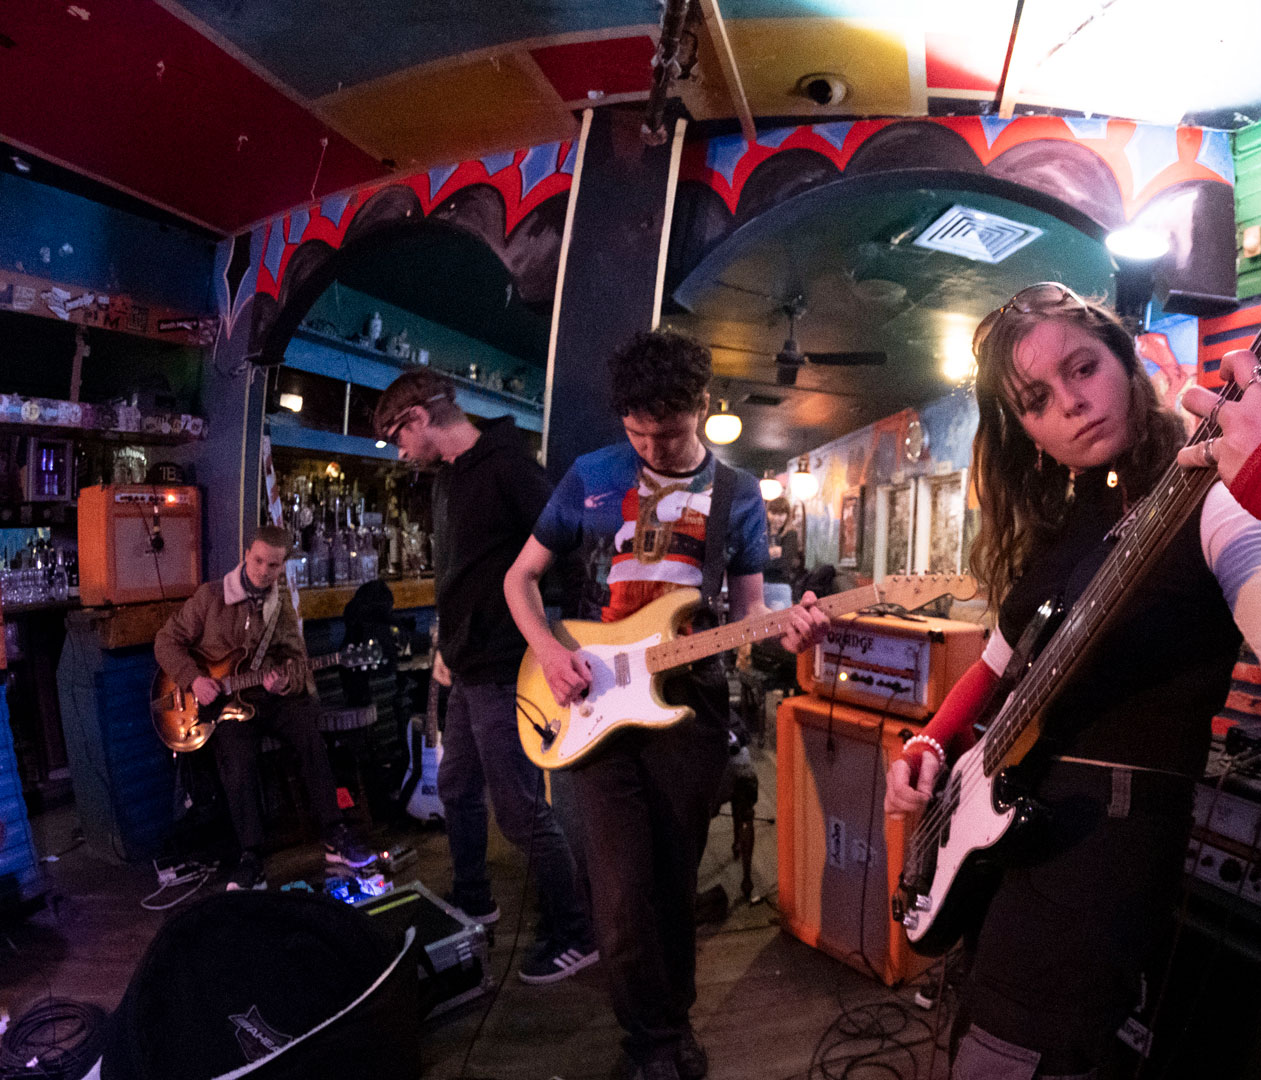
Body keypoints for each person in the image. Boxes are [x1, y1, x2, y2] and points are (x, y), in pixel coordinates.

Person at [874, 283, 1261, 1077]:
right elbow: (995, 666)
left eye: (1083, 368)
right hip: (1005, 840)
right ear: (1029, 436)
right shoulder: (1062, 524)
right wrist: (931, 743)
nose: (1072, 405)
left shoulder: (1207, 499)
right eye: (1039, 401)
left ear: (1124, 359)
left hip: (1096, 868)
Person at [503, 330, 826, 1080]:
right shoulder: (589, 476)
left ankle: (671, 1028)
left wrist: (789, 631)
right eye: (637, 431)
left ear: (701, 410)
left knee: (672, 884)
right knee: (617, 902)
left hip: (691, 708)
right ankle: (644, 1040)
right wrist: (551, 652)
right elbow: (520, 580)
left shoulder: (739, 495)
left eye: (670, 432)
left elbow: (747, 623)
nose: (652, 446)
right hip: (591, 704)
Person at [373, 368, 597, 985]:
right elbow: (460, 574)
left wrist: (567, 637)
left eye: (397, 437)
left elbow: (571, 544)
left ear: (418, 418)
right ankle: (474, 898)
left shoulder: (508, 465)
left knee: (520, 810)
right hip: (467, 664)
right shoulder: (448, 480)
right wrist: (447, 643)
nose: (399, 452)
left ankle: (576, 931)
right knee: (455, 787)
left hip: (507, 667)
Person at [154, 526, 377, 891]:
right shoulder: (211, 597)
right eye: (258, 561)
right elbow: (166, 642)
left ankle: (334, 834)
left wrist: (284, 681)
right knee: (236, 758)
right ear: (245, 554)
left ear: (282, 566)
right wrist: (194, 679)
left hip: (267, 697)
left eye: (272, 565)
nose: (263, 571)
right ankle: (251, 855)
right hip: (222, 704)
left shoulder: (281, 604)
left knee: (309, 732)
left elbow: (293, 656)